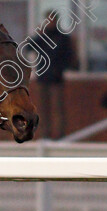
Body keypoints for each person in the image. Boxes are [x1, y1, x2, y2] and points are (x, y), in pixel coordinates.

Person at [30, 10, 76, 139]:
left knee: (58, 109)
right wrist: (38, 35)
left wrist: (59, 69)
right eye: (48, 20)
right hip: (43, 78)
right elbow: (28, 47)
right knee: (43, 109)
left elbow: (69, 57)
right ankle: (45, 136)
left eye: (52, 20)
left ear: (56, 21)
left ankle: (60, 136)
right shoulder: (42, 37)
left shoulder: (62, 38)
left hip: (56, 79)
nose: (50, 22)